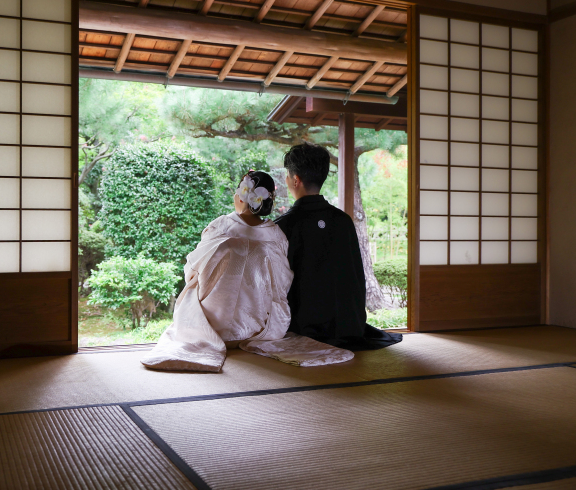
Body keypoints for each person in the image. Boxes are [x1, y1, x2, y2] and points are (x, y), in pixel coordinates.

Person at [141, 171, 294, 372]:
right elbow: (282, 283)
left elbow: (194, 268)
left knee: (195, 285)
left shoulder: (222, 225)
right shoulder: (276, 235)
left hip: (213, 324)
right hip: (258, 327)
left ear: (242, 196)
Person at [275, 142, 402, 350]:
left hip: (303, 328)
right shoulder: (343, 220)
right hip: (347, 326)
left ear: (295, 180)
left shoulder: (283, 225)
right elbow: (355, 278)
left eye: (288, 176)